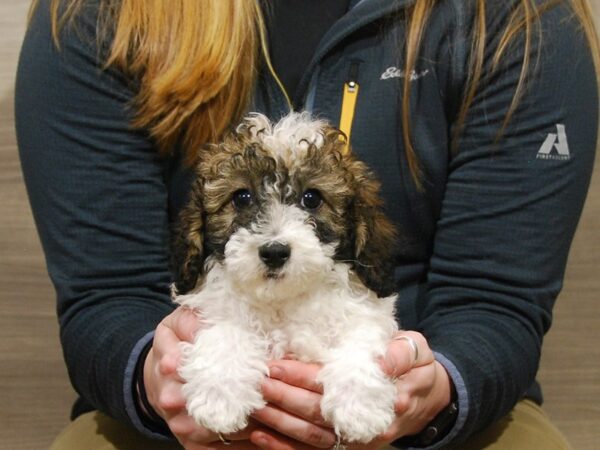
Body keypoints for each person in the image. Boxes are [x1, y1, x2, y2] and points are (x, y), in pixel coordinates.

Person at [15, 0, 599, 449]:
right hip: (172, 419)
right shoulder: (99, 15)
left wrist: (437, 387)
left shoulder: (520, 20)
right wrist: (152, 373)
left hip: (436, 411)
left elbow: (497, 298)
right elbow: (104, 295)